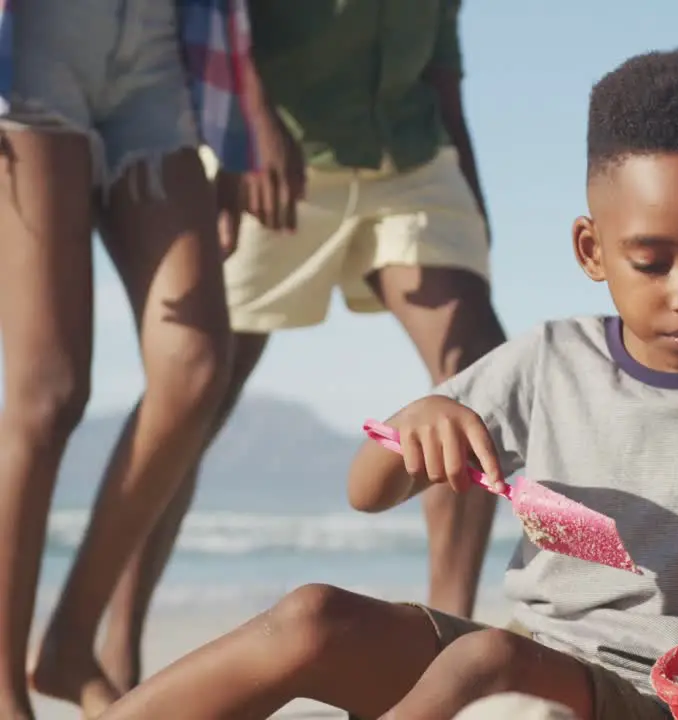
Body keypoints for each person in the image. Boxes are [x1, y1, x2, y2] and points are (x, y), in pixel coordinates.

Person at [95, 47, 678, 720]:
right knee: (314, 616)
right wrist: (420, 420)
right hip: (534, 658)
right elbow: (365, 493)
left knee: (483, 664)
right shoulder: (546, 362)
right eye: (651, 262)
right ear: (591, 250)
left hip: (676, 697)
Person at [98, 0, 507, 694]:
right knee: (194, 398)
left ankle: (445, 649)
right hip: (277, 151)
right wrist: (248, 127)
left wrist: (469, 188)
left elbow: (441, 63)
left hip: (409, 157)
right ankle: (113, 650)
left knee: (477, 374)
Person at [0, 0, 274, 718]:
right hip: (34, 47)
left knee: (196, 365)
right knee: (49, 392)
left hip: (161, 58)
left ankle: (66, 647)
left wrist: (240, 130)